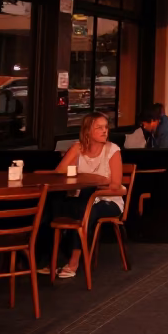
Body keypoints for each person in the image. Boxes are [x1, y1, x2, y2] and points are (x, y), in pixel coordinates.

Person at [50, 112, 126, 279]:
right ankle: (48, 259)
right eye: (99, 127)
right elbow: (59, 173)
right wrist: (74, 167)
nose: (104, 131)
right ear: (87, 131)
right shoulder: (78, 148)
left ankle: (74, 261)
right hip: (81, 199)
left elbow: (115, 185)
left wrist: (95, 185)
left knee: (87, 209)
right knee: (54, 205)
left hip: (108, 200)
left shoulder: (113, 150)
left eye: (106, 127)